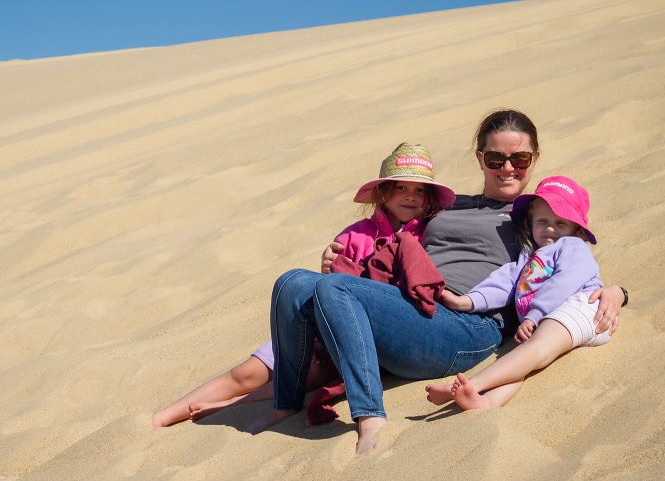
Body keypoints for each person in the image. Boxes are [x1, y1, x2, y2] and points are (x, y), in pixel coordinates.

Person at [253, 109, 626, 453]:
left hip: (465, 328)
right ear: (480, 158)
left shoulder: (535, 214)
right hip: (406, 307)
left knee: (333, 288)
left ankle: (370, 416)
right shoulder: (446, 205)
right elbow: (391, 224)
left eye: (520, 159)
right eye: (496, 159)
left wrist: (616, 293)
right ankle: (286, 403)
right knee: (293, 282)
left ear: (535, 159)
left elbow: (568, 263)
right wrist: (340, 256)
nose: (507, 168)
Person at [151, 143, 457, 427]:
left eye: (420, 190)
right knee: (247, 372)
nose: (410, 196)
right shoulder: (354, 234)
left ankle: (229, 405)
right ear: (382, 192)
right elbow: (328, 287)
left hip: (362, 335)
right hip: (316, 324)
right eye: (400, 187)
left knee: (307, 376)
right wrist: (327, 266)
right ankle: (160, 419)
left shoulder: (430, 236)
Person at [425, 175, 610, 410]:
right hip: (547, 321)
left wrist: (534, 315)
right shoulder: (528, 258)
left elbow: (565, 282)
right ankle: (485, 401)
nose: (550, 228)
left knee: (534, 349)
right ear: (530, 222)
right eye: (543, 221)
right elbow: (504, 282)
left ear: (576, 229)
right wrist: (468, 302)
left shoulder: (572, 247)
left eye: (561, 224)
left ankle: (473, 384)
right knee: (520, 360)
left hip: (585, 308)